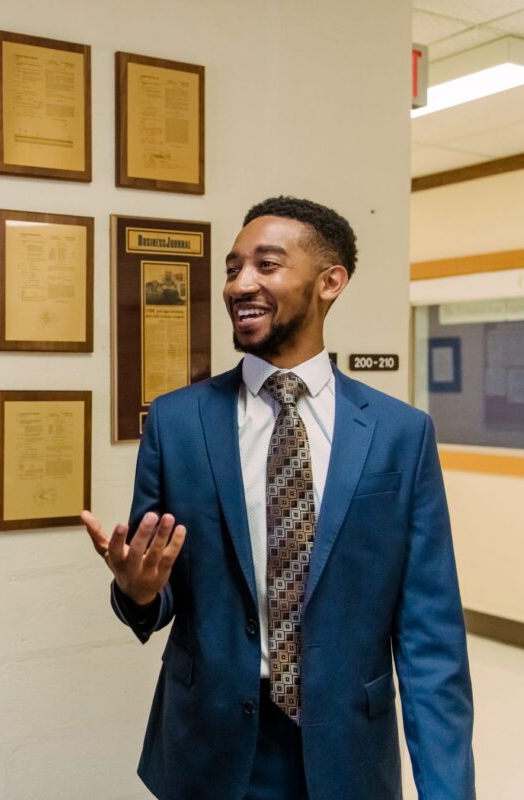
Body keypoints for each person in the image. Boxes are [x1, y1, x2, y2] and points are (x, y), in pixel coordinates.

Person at [82, 196, 474, 799]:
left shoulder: (401, 435)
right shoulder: (177, 423)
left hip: (346, 751)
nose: (241, 284)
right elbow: (155, 588)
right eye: (233, 268)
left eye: (266, 265)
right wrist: (137, 593)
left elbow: (430, 636)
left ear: (330, 282)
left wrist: (447, 790)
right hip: (210, 748)